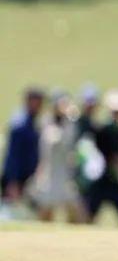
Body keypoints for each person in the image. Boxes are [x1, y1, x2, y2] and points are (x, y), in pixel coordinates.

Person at [30, 91, 87, 223]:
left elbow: (71, 143)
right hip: (50, 177)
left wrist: (70, 119)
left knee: (77, 215)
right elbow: (54, 140)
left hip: (65, 176)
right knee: (45, 216)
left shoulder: (69, 123)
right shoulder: (47, 122)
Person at [85, 90, 118, 227]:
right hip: (107, 178)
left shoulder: (102, 128)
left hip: (101, 178)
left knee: (90, 216)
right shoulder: (114, 130)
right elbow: (116, 156)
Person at [3, 87, 45, 209]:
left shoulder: (34, 122)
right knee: (10, 211)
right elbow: (13, 155)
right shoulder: (20, 123)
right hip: (17, 178)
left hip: (29, 178)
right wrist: (13, 181)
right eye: (37, 101)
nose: (40, 105)